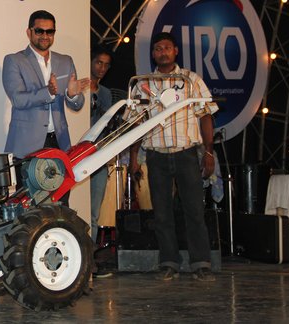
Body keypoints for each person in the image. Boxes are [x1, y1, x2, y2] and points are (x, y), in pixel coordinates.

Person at [128, 32, 218, 281]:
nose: (162, 52)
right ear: (153, 53)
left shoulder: (191, 80)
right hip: (156, 155)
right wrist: (133, 158)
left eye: (167, 47)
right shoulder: (143, 83)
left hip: (187, 153)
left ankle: (201, 262)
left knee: (194, 210)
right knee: (162, 213)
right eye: (158, 48)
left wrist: (208, 152)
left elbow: (206, 115)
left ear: (175, 51)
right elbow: (135, 123)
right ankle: (169, 262)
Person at [2, 10, 89, 204]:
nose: (45, 36)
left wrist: (72, 95)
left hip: (59, 143)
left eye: (50, 32)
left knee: (61, 203)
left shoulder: (65, 61)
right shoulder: (14, 60)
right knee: (27, 205)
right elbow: (18, 99)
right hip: (27, 146)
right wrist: (48, 92)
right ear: (29, 32)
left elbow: (76, 105)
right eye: (39, 31)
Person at [89, 45, 113, 244]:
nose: (102, 68)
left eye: (106, 65)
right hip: (77, 155)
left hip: (98, 156)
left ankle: (89, 257)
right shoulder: (78, 88)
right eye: (98, 63)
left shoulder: (106, 93)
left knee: (94, 212)